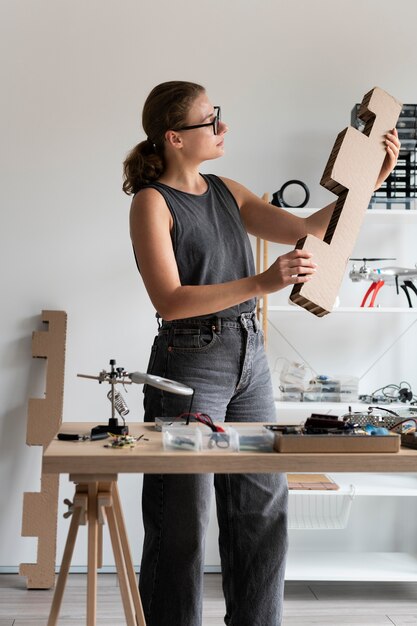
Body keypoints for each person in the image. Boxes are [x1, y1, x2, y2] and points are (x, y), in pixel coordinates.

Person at [123, 81, 400, 626]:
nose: (222, 128)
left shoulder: (226, 189)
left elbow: (305, 229)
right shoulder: (151, 203)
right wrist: (263, 281)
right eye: (211, 120)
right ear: (175, 138)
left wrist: (369, 184)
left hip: (248, 356)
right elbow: (170, 300)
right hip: (189, 359)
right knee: (182, 517)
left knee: (260, 507)